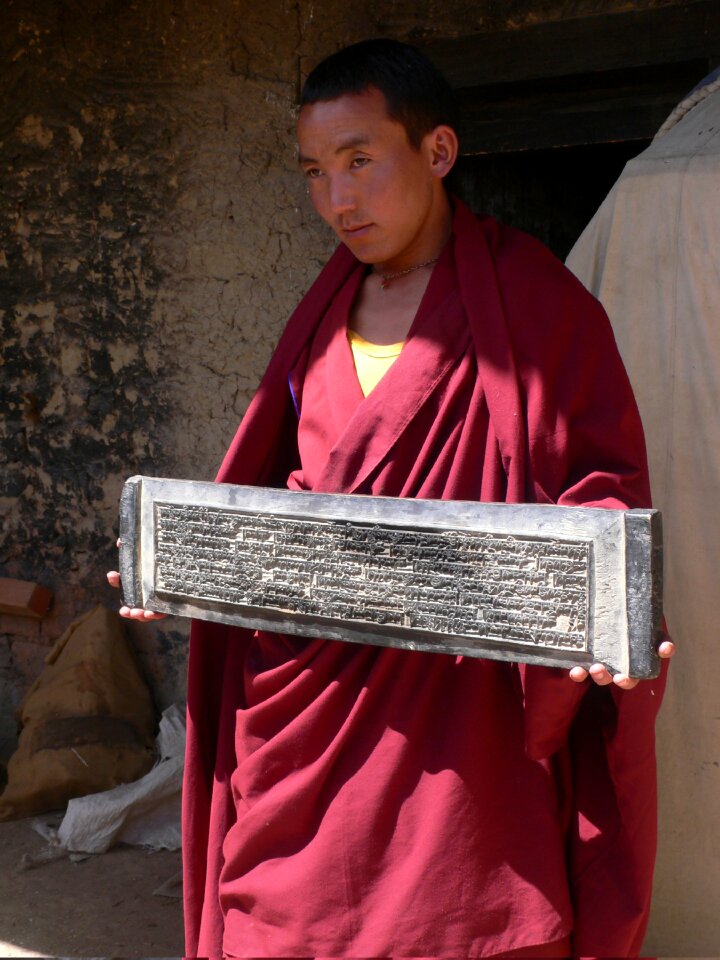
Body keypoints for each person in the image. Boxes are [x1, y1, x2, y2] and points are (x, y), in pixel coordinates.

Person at [109, 39, 673, 958]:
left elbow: (602, 492)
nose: (337, 199)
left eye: (360, 161)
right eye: (315, 172)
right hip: (309, 712)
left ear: (438, 152)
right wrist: (183, 568)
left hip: (461, 732)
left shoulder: (536, 307)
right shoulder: (319, 317)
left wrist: (605, 612)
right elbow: (274, 492)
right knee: (279, 924)